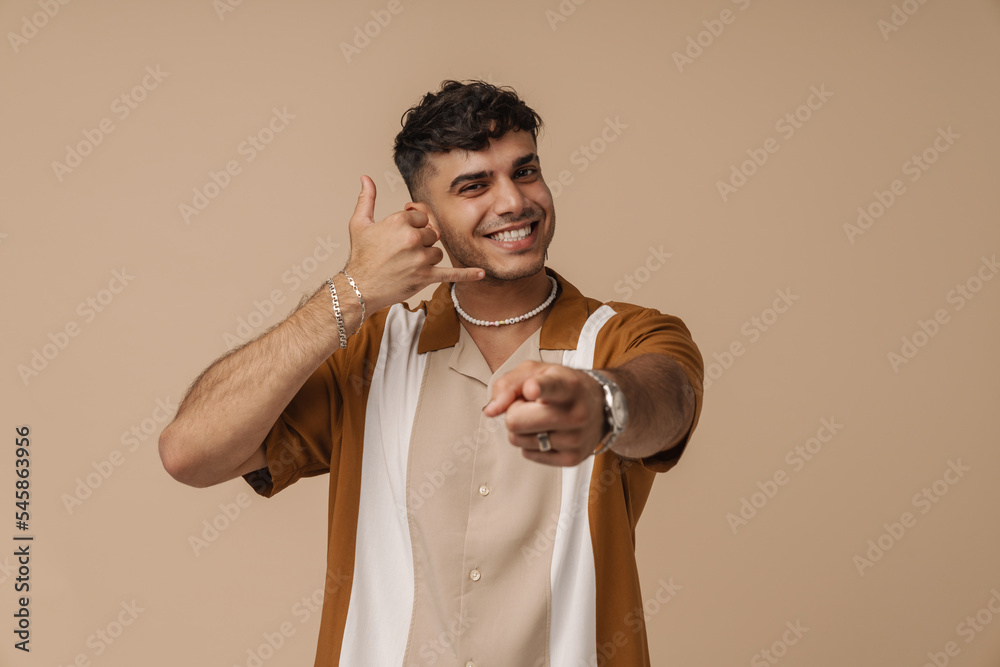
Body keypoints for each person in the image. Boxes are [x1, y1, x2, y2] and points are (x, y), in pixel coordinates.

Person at [159, 79, 704, 667]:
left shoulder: (625, 336)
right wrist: (351, 293)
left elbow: (666, 401)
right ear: (425, 219)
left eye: (525, 172)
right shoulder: (370, 354)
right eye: (474, 186)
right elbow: (190, 453)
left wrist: (604, 404)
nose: (514, 202)